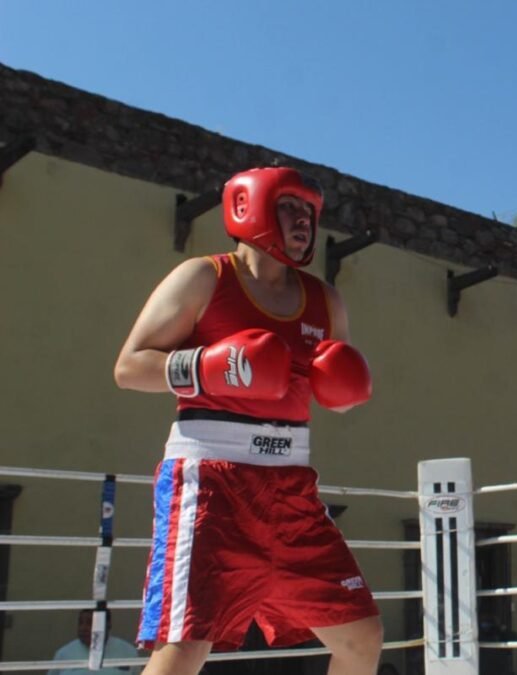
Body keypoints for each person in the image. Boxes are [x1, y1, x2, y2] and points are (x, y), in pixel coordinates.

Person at [114, 167, 382, 675]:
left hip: (291, 487)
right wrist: (209, 365)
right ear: (249, 206)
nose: (303, 221)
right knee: (186, 648)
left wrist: (345, 392)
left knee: (360, 637)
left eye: (309, 212)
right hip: (210, 480)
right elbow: (128, 367)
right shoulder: (204, 277)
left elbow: (334, 397)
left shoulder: (326, 301)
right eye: (289, 207)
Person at [47, 609, 141, 675]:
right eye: (81, 623)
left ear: (107, 624)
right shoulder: (64, 654)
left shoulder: (127, 652)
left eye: (90, 622)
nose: (83, 628)